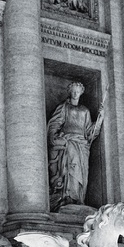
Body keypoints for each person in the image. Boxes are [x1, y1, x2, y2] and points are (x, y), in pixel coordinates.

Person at [47, 81, 103, 210]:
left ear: (81, 93)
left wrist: (100, 119)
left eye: (77, 91)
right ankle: (67, 197)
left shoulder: (85, 111)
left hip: (82, 145)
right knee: (71, 167)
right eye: (73, 91)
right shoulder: (64, 107)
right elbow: (55, 123)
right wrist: (54, 138)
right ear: (70, 92)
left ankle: (78, 198)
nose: (75, 93)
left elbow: (90, 132)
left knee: (81, 171)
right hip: (69, 142)